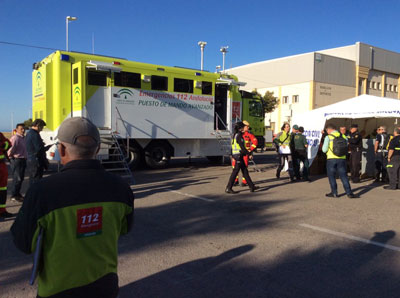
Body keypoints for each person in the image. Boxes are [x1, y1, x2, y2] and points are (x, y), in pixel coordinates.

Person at [11, 117, 134, 297]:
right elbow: (124, 229)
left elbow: (23, 243)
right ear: (98, 149)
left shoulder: (42, 191)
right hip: (105, 285)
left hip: (58, 289)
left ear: (61, 149)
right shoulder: (121, 187)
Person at [322, 124, 356, 198]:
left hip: (331, 159)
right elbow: (347, 146)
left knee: (332, 176)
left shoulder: (328, 137)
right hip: (342, 158)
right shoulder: (344, 136)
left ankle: (334, 192)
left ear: (329, 130)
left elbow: (324, 150)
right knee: (344, 176)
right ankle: (349, 193)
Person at [226, 122, 258, 194]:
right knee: (235, 172)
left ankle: (251, 186)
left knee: (245, 171)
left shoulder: (235, 135)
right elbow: (242, 147)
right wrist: (248, 153)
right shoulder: (239, 135)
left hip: (237, 155)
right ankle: (228, 187)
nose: (245, 127)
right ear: (241, 128)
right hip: (239, 155)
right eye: (243, 126)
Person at [232, 120, 258, 186]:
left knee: (244, 168)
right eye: (247, 126)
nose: (248, 128)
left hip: (245, 154)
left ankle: (244, 181)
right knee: (235, 167)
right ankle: (235, 181)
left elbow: (255, 142)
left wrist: (250, 151)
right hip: (237, 154)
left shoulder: (249, 135)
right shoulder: (237, 134)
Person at [25, 119, 49, 186]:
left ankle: (31, 195)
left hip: (31, 159)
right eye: (41, 127)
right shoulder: (34, 134)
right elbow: (39, 149)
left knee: (32, 179)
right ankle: (34, 195)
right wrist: (47, 147)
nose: (42, 129)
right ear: (38, 125)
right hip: (36, 160)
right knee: (36, 180)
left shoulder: (29, 133)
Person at [8, 123, 28, 202]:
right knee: (17, 178)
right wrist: (11, 157)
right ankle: (14, 195)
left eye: (24, 129)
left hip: (22, 160)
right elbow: (10, 150)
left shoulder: (23, 138)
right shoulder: (15, 138)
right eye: (21, 129)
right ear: (16, 130)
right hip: (17, 160)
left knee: (21, 178)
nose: (23, 130)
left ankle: (17, 193)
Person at [0, 132, 14, 218]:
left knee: (2, 190)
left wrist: (2, 145)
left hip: (2, 166)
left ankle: (2, 211)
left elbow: (8, 144)